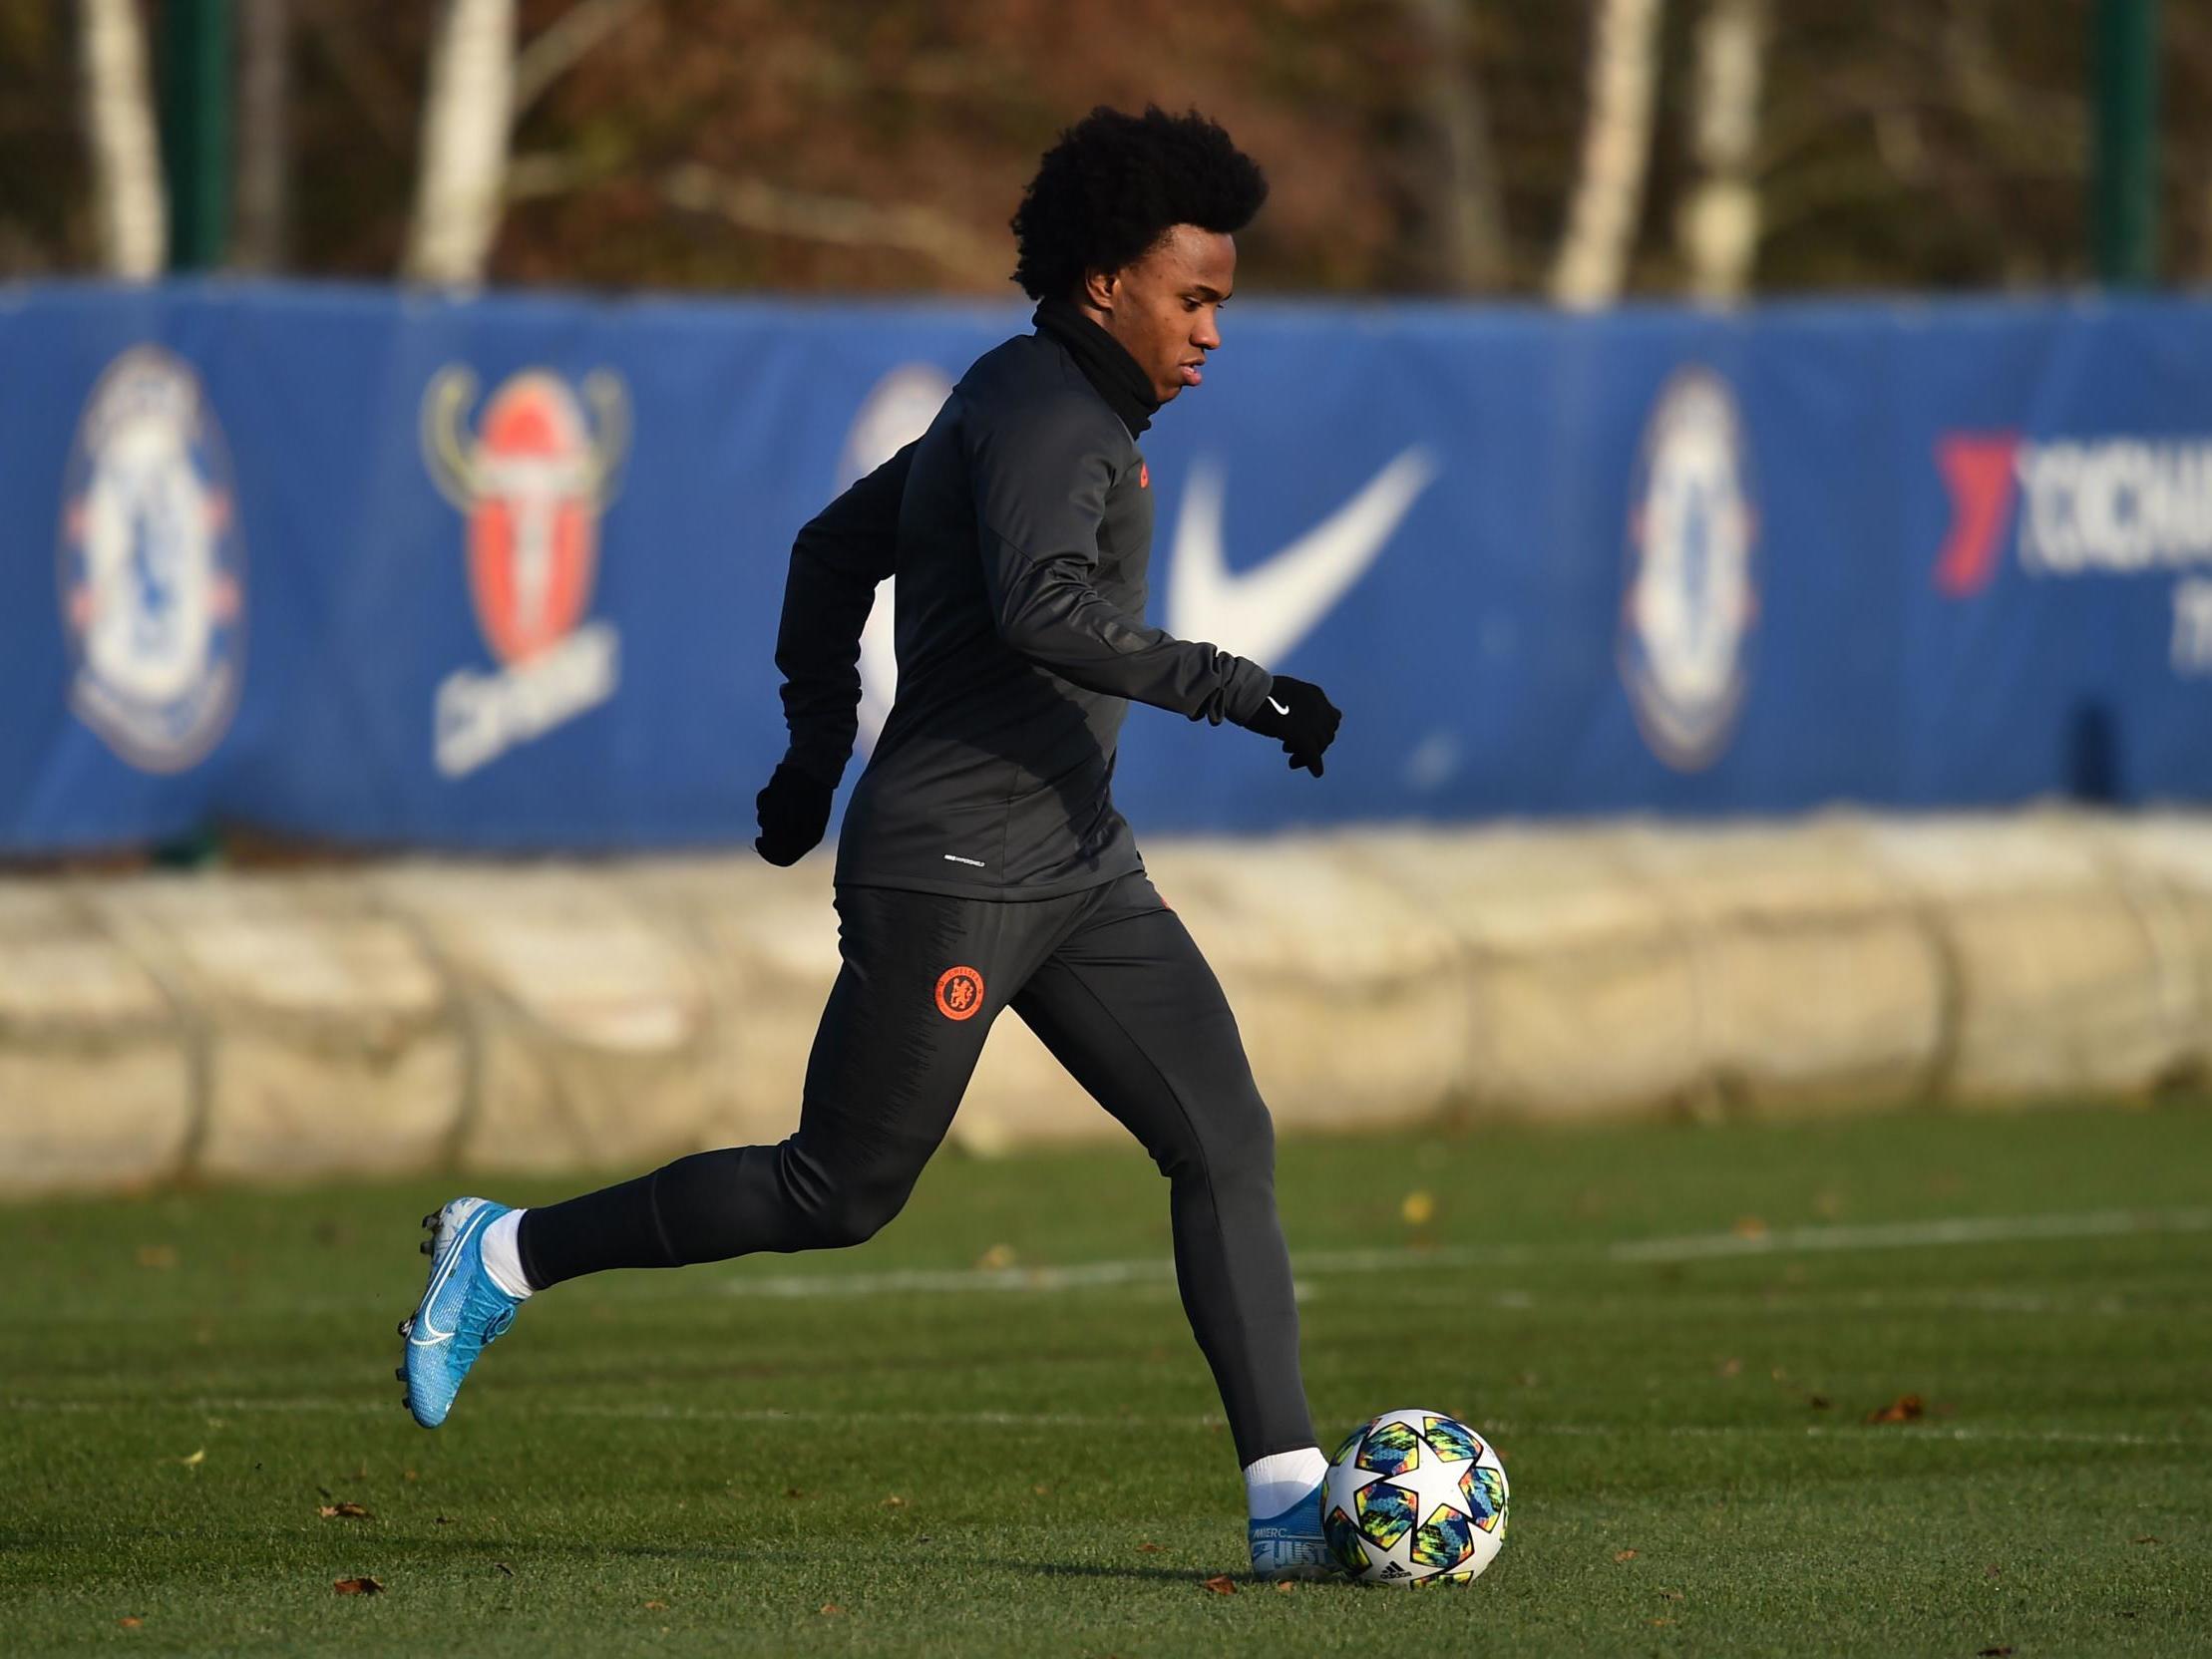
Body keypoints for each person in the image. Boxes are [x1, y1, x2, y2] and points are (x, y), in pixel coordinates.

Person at [396, 105, 1345, 1579]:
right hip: (954, 871)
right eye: (1196, 297)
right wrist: (1242, 688)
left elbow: (836, 550)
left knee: (1222, 1140)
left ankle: (1289, 1506)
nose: (1214, 330)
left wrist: (813, 739)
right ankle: (504, 1252)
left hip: (1079, 867)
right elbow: (1041, 609)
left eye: (1222, 299)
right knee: (834, 1193)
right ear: (1107, 282)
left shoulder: (1038, 402)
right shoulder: (1045, 417)